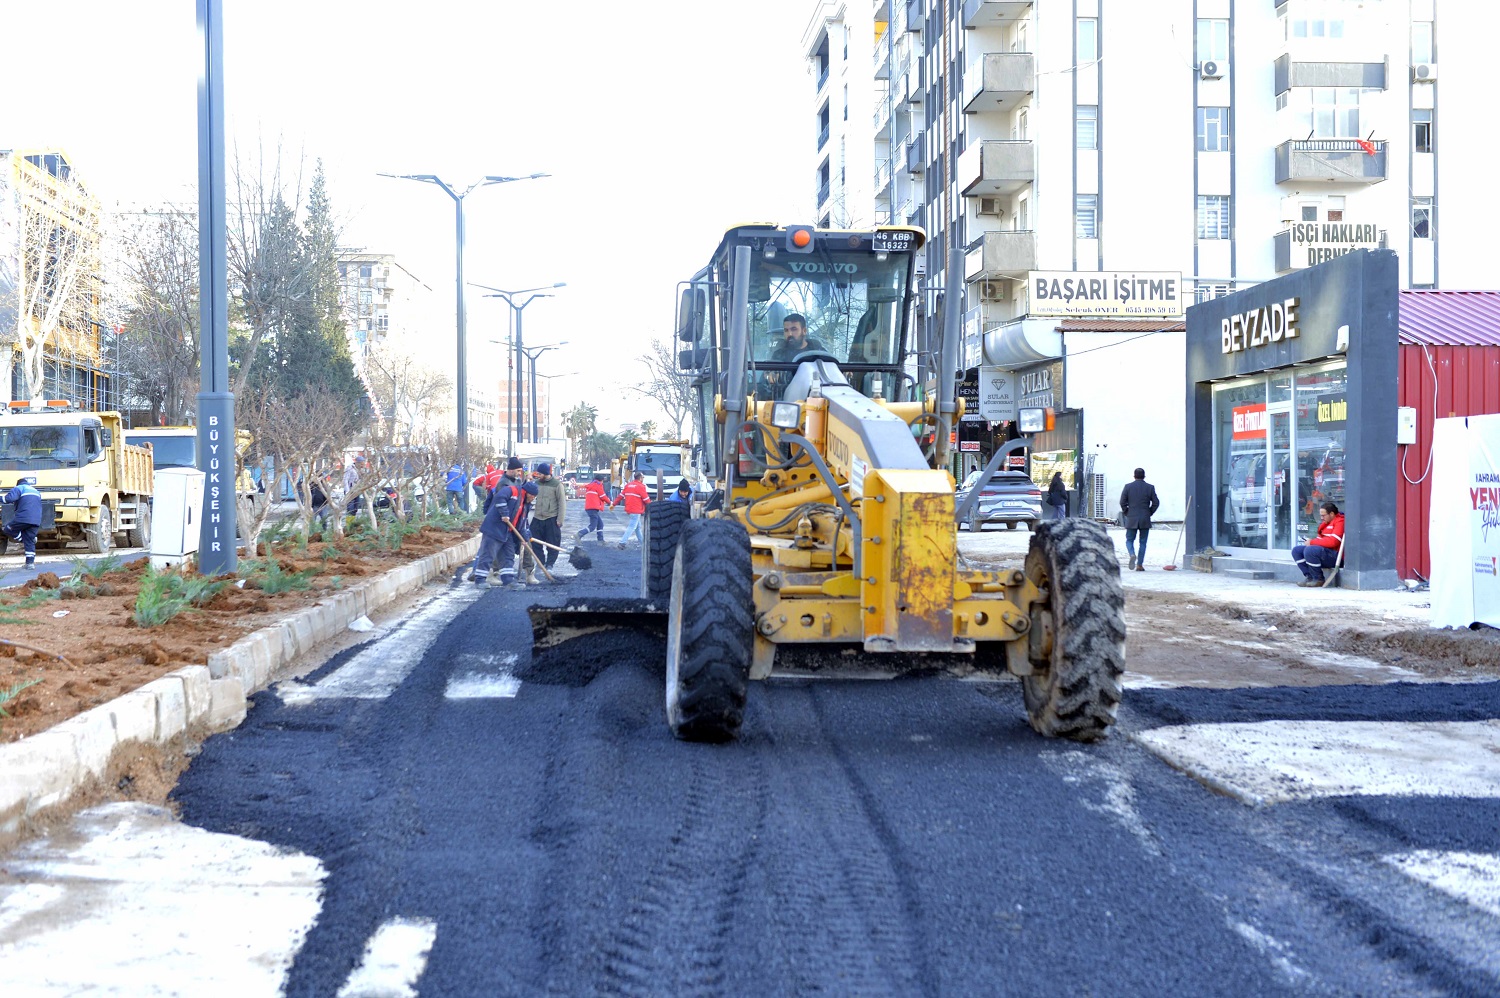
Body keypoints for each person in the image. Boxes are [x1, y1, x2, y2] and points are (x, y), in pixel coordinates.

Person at [1293, 501, 1345, 587]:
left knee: (1310, 550)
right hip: (1325, 553)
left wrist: (1312, 542)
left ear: (1332, 514)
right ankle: (1310, 577)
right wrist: (1311, 541)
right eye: (1321, 515)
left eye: (1323, 515)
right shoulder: (1326, 523)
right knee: (1297, 551)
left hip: (1336, 556)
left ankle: (1318, 579)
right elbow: (1321, 539)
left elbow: (1333, 541)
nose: (1321, 518)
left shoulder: (1340, 521)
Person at [1119, 467, 1160, 571]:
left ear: (1134, 476)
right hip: (1145, 518)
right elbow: (1156, 502)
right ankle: (1139, 565)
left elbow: (1122, 502)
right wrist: (1149, 512)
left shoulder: (1128, 487)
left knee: (1129, 540)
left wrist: (1127, 512)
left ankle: (1132, 554)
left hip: (1131, 518)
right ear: (1144, 476)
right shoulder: (1150, 487)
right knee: (1143, 542)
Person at [528, 462, 566, 575]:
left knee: (553, 543)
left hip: (551, 518)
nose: (538, 476)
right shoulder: (536, 484)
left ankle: (550, 564)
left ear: (546, 473)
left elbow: (562, 503)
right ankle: (540, 563)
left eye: (540, 474)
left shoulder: (557, 485)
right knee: (534, 543)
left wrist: (560, 519)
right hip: (537, 518)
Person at [2, 476, 43, 569]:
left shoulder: (19, 488)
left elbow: (8, 499)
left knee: (8, 529)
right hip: (36, 519)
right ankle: (30, 564)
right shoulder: (36, 491)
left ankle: (24, 539)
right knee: (29, 540)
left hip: (23, 518)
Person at [612, 470, 651, 548]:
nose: (643, 479)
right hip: (636, 510)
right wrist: (652, 506)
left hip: (629, 509)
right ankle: (622, 543)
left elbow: (620, 496)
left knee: (637, 528)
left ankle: (643, 544)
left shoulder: (628, 485)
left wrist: (613, 504)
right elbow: (646, 499)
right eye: (643, 477)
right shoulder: (641, 486)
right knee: (632, 526)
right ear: (640, 478)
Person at [576, 475, 609, 544]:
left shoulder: (591, 485)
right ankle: (579, 534)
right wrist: (610, 502)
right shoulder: (598, 486)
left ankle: (600, 540)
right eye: (602, 481)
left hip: (589, 508)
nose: (602, 483)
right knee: (592, 526)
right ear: (600, 480)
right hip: (593, 508)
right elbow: (603, 496)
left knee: (600, 524)